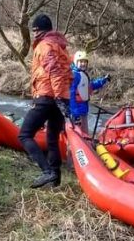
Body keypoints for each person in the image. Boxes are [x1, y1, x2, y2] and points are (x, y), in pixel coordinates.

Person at [18, 13, 72, 188]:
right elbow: (68, 74)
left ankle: (46, 171)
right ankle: (55, 178)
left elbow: (55, 71)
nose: (34, 34)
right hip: (60, 98)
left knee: (25, 134)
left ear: (43, 31)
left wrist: (56, 97)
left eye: (36, 30)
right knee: (52, 139)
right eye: (33, 30)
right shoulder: (60, 46)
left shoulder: (45, 46)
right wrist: (63, 99)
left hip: (48, 97)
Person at [69, 50, 110, 134]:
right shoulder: (75, 75)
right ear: (75, 62)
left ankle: (87, 144)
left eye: (85, 62)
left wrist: (103, 80)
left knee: (85, 132)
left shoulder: (82, 74)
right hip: (76, 110)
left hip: (83, 108)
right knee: (78, 133)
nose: (83, 64)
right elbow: (71, 94)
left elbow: (90, 86)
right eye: (81, 61)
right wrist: (75, 112)